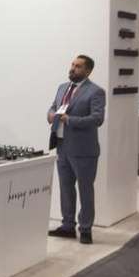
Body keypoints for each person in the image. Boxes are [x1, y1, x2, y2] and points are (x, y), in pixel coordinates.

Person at [47, 54, 106, 245]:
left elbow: (97, 119)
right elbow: (53, 107)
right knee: (65, 189)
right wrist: (50, 115)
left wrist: (69, 120)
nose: (73, 68)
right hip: (62, 146)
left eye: (78, 66)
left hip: (83, 150)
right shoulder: (62, 87)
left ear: (88, 71)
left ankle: (86, 229)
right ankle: (67, 226)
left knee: (85, 190)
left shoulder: (96, 92)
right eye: (72, 65)